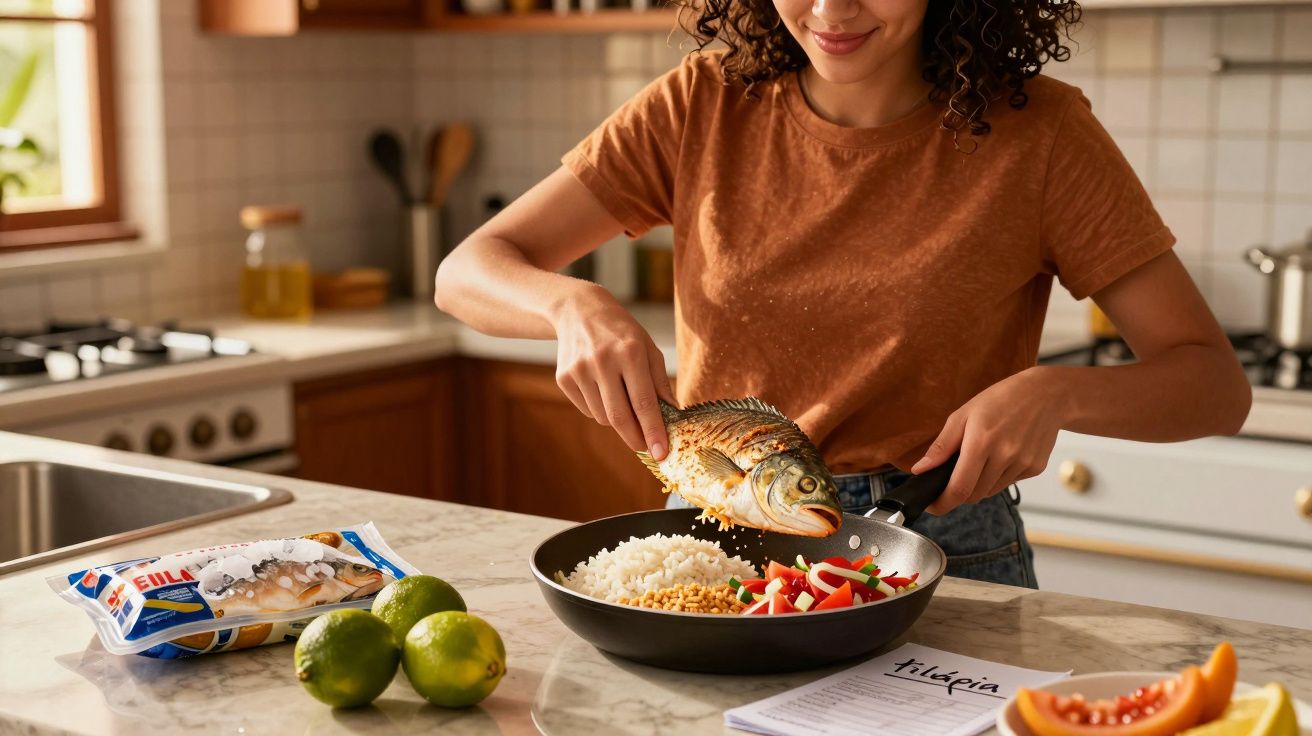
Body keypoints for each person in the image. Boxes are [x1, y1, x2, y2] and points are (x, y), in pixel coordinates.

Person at [434, 0, 1252, 588]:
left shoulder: (1041, 133)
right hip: (723, 546)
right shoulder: (702, 103)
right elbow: (468, 269)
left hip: (945, 549)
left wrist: (1057, 392)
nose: (829, 10)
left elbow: (1212, 385)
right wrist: (572, 305)